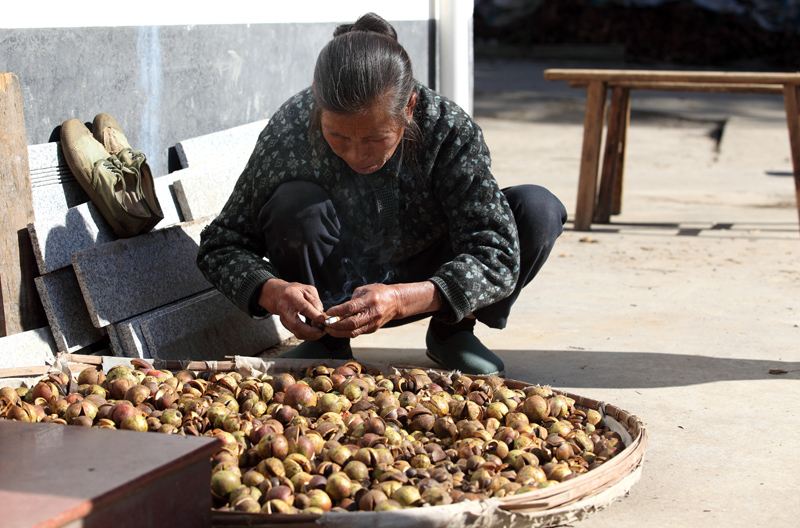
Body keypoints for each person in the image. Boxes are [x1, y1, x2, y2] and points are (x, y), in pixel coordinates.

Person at [197, 12, 567, 376]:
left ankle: (452, 330)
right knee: (294, 205)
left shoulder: (447, 129)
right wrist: (274, 291)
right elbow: (221, 244)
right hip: (332, 291)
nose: (358, 155)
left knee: (537, 209)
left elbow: (498, 255)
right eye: (338, 137)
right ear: (317, 103)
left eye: (376, 138)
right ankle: (326, 343)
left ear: (409, 106)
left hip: (432, 281)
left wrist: (403, 298)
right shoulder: (292, 127)